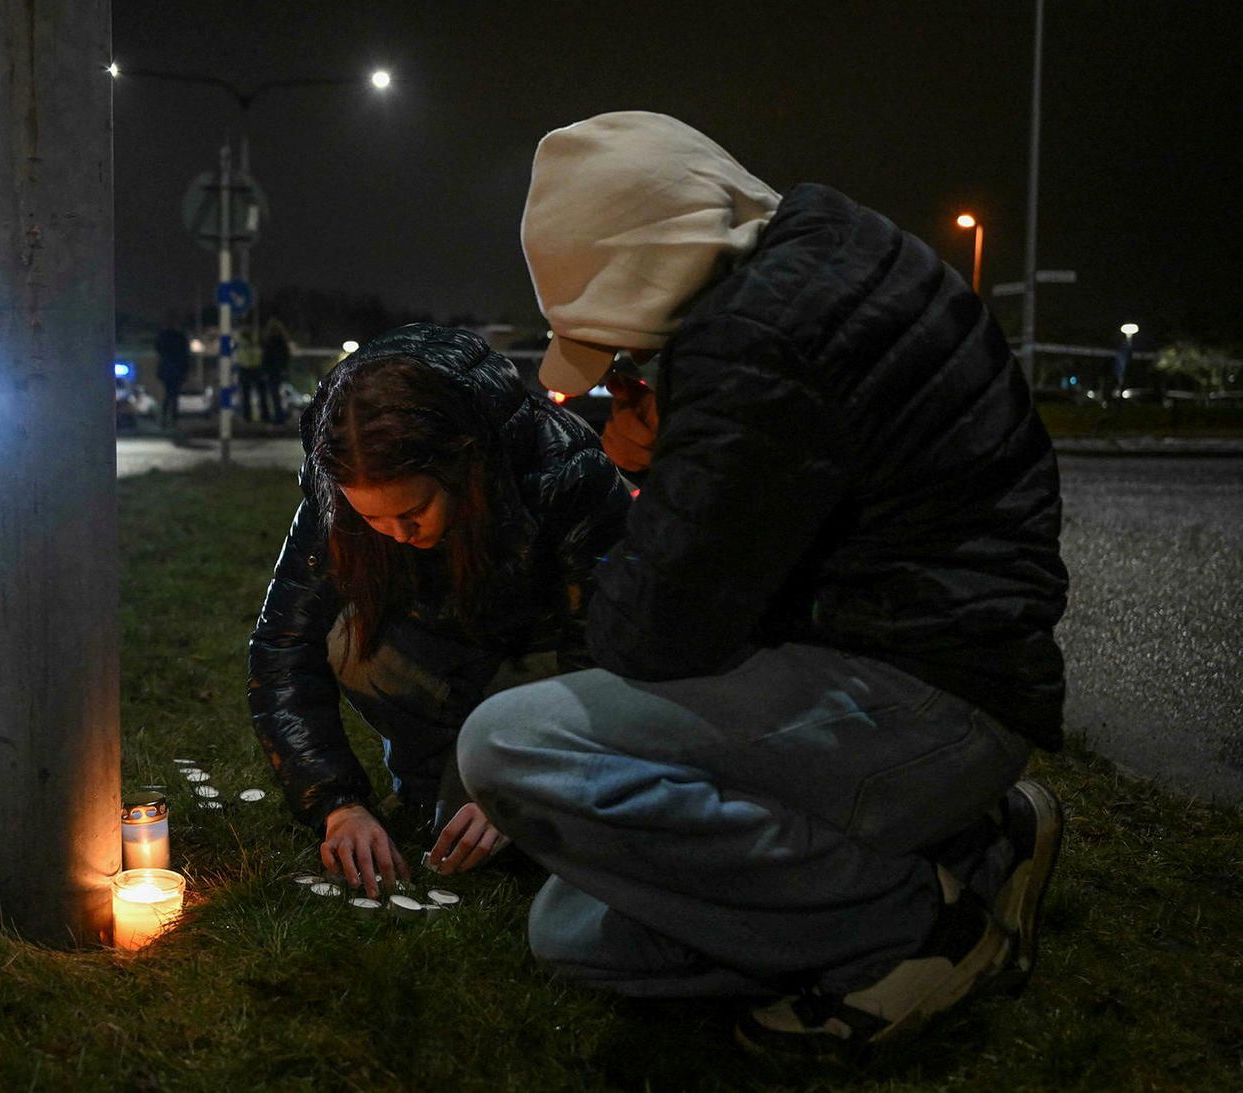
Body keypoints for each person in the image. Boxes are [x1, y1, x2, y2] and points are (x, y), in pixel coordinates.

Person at [456, 112, 1069, 1057]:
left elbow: (648, 636)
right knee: (571, 932)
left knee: (506, 745)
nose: (623, 376)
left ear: (643, 269)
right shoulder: (824, 243)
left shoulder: (753, 347)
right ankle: (971, 849)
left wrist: (651, 467)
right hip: (940, 672)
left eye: (616, 350)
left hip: (924, 697)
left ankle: (913, 934)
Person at [247, 323, 632, 898]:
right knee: (348, 640)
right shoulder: (336, 497)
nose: (397, 535)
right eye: (373, 519)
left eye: (414, 511)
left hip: (538, 663)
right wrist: (337, 804)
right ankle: (432, 781)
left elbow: (605, 650)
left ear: (463, 471)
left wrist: (522, 786)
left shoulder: (563, 473)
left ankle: (482, 777)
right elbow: (283, 647)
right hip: (438, 653)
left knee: (516, 836)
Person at [154, 321, 191, 430]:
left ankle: (165, 420)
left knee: (169, 395)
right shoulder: (180, 337)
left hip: (168, 370)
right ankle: (172, 420)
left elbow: (158, 349)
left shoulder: (164, 336)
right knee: (174, 396)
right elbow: (185, 354)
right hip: (176, 370)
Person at [260, 317, 293, 424]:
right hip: (278, 371)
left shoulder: (269, 342)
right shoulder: (282, 342)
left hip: (271, 371)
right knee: (279, 394)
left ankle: (277, 417)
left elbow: (267, 358)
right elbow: (285, 357)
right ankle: (281, 415)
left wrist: (265, 370)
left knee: (274, 395)